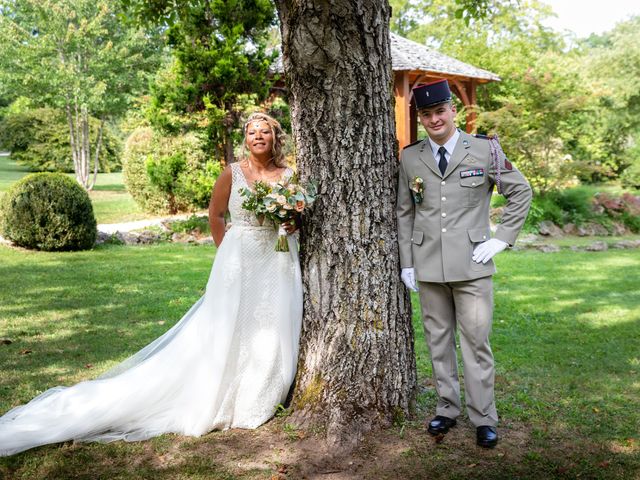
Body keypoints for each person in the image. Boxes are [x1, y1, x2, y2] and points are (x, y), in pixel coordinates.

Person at [0, 112, 302, 457]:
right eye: (252, 132)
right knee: (230, 326)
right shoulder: (231, 174)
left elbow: (294, 216)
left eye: (265, 132)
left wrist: (292, 225)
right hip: (238, 260)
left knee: (271, 322)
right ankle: (221, 393)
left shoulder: (289, 176)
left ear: (275, 138)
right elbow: (216, 216)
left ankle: (259, 393)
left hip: (277, 259)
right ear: (245, 139)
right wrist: (227, 254)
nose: (258, 137)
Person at [396, 80, 532, 448]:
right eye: (426, 114)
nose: (434, 119)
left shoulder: (484, 150)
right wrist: (407, 262)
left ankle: (484, 416)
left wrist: (501, 238)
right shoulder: (410, 156)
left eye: (440, 111)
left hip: (473, 265)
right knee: (438, 342)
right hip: (427, 266)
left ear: (453, 111)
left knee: (475, 342)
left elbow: (521, 190)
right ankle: (446, 407)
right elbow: (405, 212)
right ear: (421, 118)